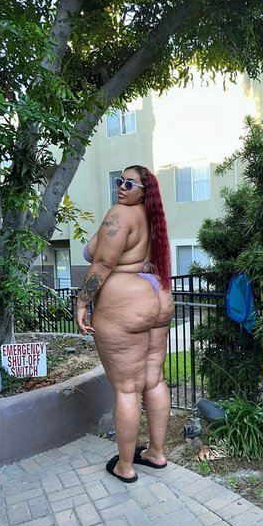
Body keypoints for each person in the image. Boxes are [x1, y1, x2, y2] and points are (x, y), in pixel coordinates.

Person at [76, 165, 174, 483]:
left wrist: (82, 302)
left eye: (130, 183)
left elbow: (103, 262)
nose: (121, 186)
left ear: (144, 191)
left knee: (128, 388)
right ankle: (156, 453)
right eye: (120, 181)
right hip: (157, 296)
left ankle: (125, 466)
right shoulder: (152, 218)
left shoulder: (120, 214)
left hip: (126, 303)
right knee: (154, 381)